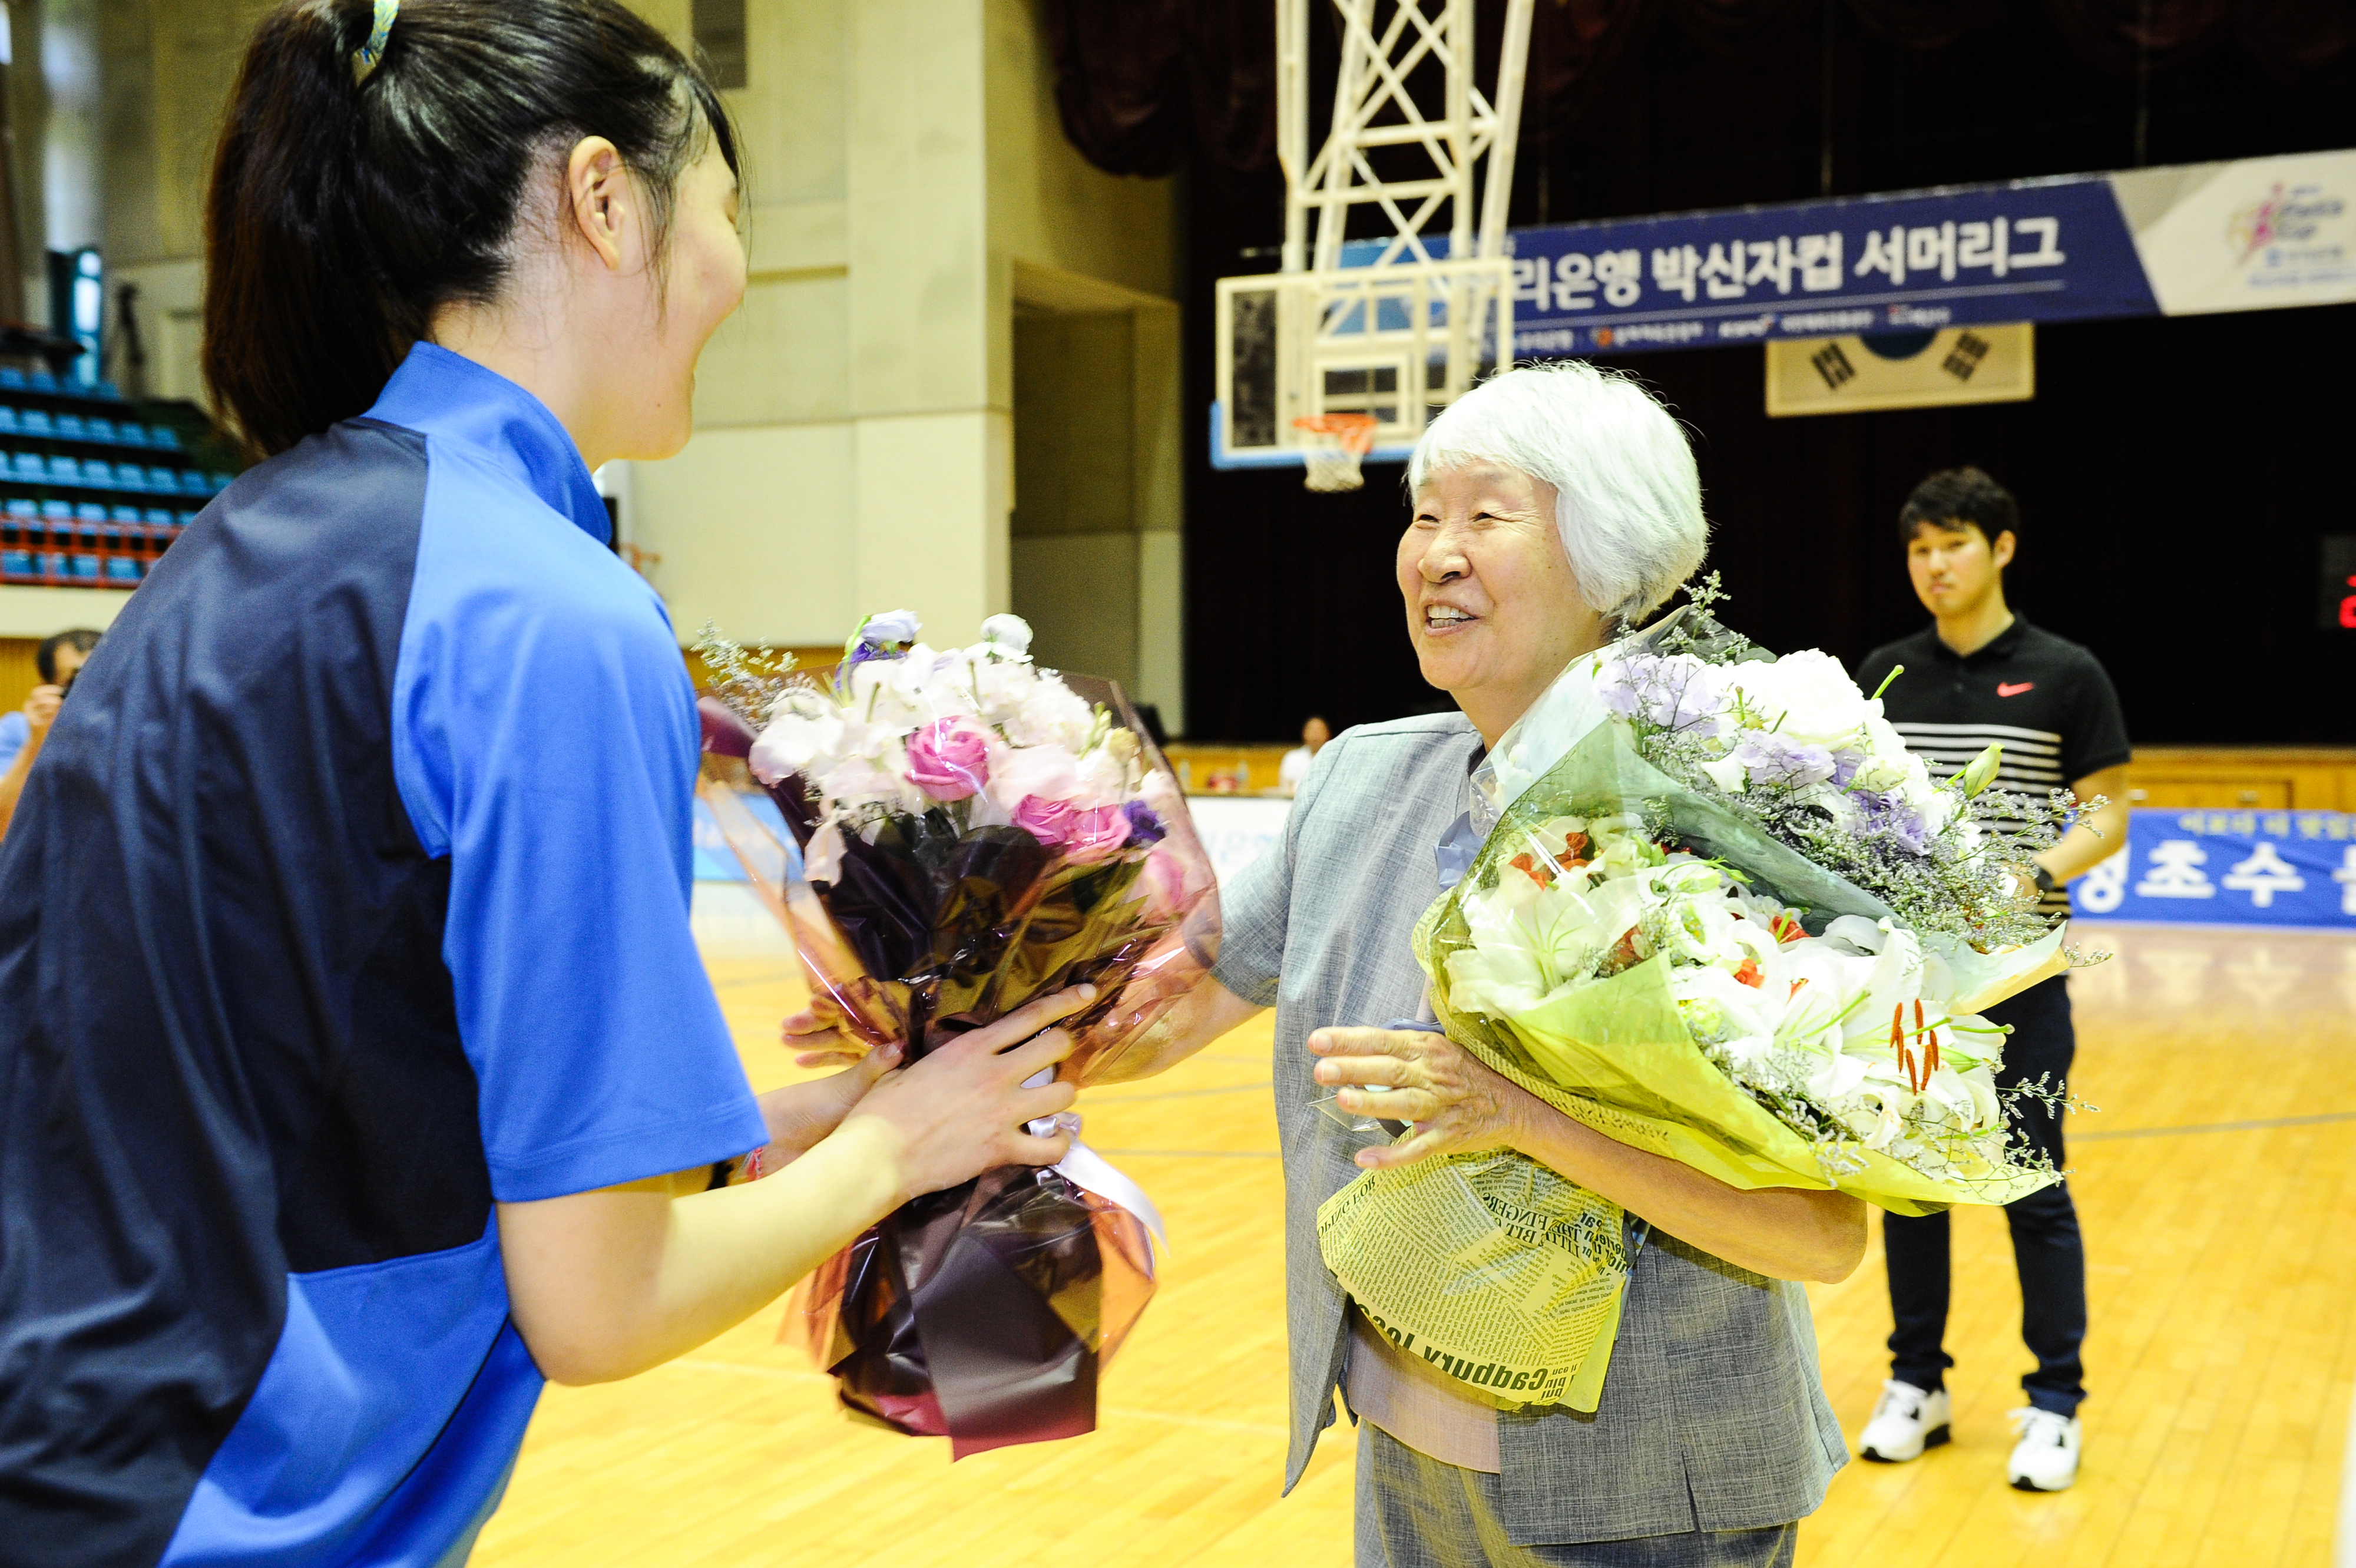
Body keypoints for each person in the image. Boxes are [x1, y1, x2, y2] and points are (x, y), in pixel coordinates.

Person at [0, 3, 1086, 1563]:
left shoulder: (239, 544)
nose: (737, 263)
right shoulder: (548, 610)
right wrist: (902, 1148)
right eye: (724, 203)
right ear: (601, 198)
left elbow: (327, 1088)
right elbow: (600, 1299)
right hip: (217, 1506)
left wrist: (782, 1124)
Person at [1092, 363, 1862, 1568]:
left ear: (1610, 557)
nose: (1433, 553)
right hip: (1403, 1453)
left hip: (1650, 1486)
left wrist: (1512, 1114)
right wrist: (943, 1007)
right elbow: (1156, 1010)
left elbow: (1818, 1232)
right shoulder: (1359, 779)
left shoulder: (1722, 812)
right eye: (1420, 513)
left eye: (1483, 515)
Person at [1849, 466, 2130, 1494]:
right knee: (1912, 1187)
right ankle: (1915, 1382)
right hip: (1910, 982)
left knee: (2032, 1182)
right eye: (1920, 550)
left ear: (2002, 549)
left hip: (2021, 978)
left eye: (1954, 546)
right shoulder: (1883, 671)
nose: (1935, 567)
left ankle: (2056, 1400)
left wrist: (2033, 872)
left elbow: (2107, 814)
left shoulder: (2067, 671)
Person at [0, 627, 101, 838]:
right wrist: (36, 743)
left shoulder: (132, 734)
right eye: (75, 682)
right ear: (45, 687)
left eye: (100, 679)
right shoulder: (17, 730)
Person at [1278, 713, 1332, 792]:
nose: (1315, 735)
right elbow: (1286, 787)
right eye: (1312, 730)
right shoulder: (1292, 758)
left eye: (1319, 731)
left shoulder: (1334, 758)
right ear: (1304, 733)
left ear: (1328, 734)